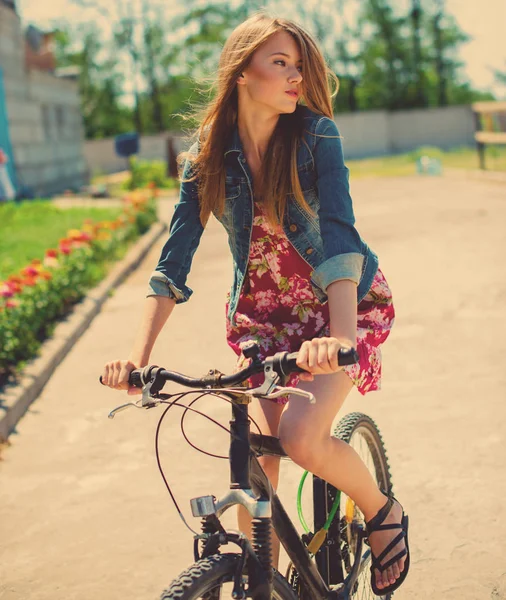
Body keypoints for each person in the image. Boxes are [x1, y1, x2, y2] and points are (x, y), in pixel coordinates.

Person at [101, 12, 410, 595]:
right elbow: (174, 263)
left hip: (336, 310)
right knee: (254, 454)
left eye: (298, 65)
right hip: (264, 321)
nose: (296, 77)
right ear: (242, 72)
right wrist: (134, 360)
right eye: (280, 63)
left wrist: (340, 341)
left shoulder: (317, 136)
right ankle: (258, 576)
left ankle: (380, 509)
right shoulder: (207, 158)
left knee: (299, 438)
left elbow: (340, 235)